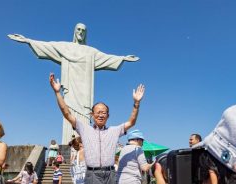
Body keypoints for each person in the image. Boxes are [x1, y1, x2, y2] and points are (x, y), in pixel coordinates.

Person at [8, 23, 139, 142]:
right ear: (75, 32)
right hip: (70, 89)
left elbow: (106, 57)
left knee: (84, 115)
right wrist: (27, 41)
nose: (81, 32)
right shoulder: (65, 47)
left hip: (85, 92)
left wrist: (123, 58)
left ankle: (82, 142)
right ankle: (68, 142)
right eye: (78, 30)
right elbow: (47, 46)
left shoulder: (91, 52)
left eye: (83, 30)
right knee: (68, 112)